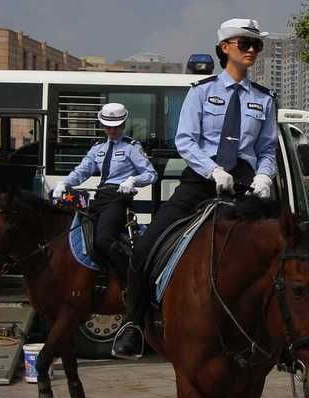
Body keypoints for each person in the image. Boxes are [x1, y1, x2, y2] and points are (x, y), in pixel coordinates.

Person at [112, 18, 278, 359]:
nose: (251, 51)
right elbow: (185, 141)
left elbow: (267, 150)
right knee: (145, 247)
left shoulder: (264, 99)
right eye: (245, 44)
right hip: (201, 182)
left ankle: (277, 337)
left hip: (245, 186)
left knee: (284, 251)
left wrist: (264, 176)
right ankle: (133, 324)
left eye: (256, 45)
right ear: (225, 48)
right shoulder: (201, 92)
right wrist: (213, 169)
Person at [52, 103, 157, 282]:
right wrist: (63, 183)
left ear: (123, 125)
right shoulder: (98, 148)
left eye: (116, 127)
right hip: (100, 197)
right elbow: (81, 172)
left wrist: (133, 180)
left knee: (103, 239)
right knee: (78, 233)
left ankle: (131, 280)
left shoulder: (131, 147)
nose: (111, 130)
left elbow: (151, 174)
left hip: (119, 199)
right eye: (108, 126)